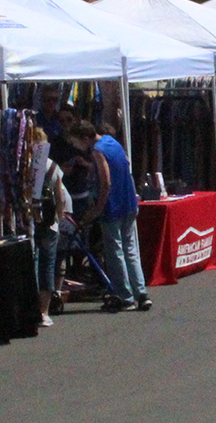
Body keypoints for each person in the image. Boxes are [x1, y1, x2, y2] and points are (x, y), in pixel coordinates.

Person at [68, 121, 151, 312]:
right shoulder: (111, 141)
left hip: (113, 207)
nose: (76, 146)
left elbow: (106, 182)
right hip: (129, 201)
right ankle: (141, 292)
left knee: (115, 252)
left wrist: (97, 208)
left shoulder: (98, 151)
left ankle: (125, 296)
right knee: (130, 249)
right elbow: (125, 164)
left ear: (84, 138)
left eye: (76, 142)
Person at [30, 128, 67, 327]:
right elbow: (59, 197)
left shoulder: (25, 165)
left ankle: (31, 308)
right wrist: (59, 220)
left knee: (32, 264)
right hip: (49, 222)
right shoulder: (52, 166)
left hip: (28, 222)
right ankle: (44, 312)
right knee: (47, 265)